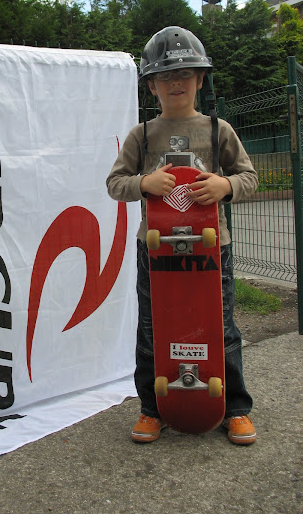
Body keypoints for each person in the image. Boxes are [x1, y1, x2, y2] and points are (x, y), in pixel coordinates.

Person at [106, 26, 258, 445]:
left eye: (185, 74)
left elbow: (249, 177)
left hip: (212, 248)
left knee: (220, 326)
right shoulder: (141, 135)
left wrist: (225, 187)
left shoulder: (217, 130)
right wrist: (143, 183)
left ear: (200, 79)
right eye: (166, 77)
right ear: (152, 85)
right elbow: (115, 183)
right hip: (154, 249)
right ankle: (152, 408)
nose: (176, 83)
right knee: (153, 326)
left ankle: (235, 408)